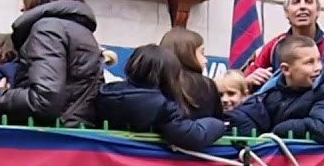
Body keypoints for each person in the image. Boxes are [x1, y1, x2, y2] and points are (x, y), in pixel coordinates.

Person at [0, 0, 102, 128]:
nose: (21, 7)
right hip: (76, 132)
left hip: (52, 137)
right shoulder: (81, 32)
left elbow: (44, 100)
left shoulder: (47, 28)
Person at [94, 44, 227, 151]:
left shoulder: (105, 92)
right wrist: (218, 124)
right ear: (168, 75)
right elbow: (192, 136)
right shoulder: (161, 105)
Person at [227, 35, 324, 144]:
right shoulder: (271, 90)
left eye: (318, 60)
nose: (318, 68)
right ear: (286, 69)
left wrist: (278, 131)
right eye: (309, 62)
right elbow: (248, 114)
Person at [242, 0, 324, 89]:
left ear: (318, 11)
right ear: (286, 13)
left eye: (308, 1)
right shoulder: (274, 46)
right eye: (296, 2)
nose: (302, 6)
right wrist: (248, 81)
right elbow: (242, 84)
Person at [159, 28, 224, 120]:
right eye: (202, 53)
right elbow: (217, 119)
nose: (205, 60)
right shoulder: (205, 85)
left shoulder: (154, 80)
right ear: (187, 54)